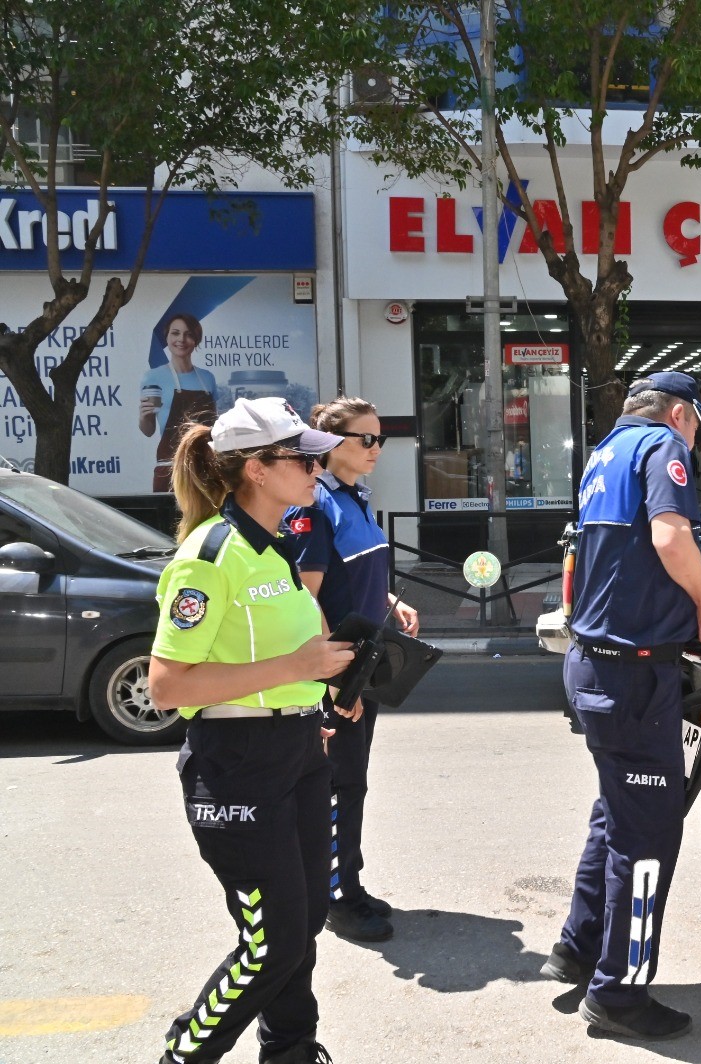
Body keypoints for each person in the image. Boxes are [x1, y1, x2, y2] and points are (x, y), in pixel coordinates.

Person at [148, 397, 355, 1064]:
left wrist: (326, 689)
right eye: (302, 456)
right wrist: (294, 667)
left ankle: (291, 1053)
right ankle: (187, 1051)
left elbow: (286, 657)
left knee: (304, 928)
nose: (317, 465)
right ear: (259, 470)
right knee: (272, 945)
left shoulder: (277, 546)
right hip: (235, 762)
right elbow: (166, 686)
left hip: (295, 751)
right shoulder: (208, 555)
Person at [541, 370, 701, 1041]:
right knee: (649, 836)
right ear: (680, 414)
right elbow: (668, 537)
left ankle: (576, 945)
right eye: (696, 425)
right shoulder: (663, 448)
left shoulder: (605, 454)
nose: (694, 440)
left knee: (615, 814)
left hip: (594, 666)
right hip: (632, 676)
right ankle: (620, 995)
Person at [283, 397, 419, 944]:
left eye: (380, 439)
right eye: (366, 439)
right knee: (340, 786)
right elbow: (308, 598)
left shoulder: (355, 498)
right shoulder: (316, 507)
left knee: (352, 782)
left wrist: (389, 600)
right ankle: (339, 897)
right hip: (338, 671)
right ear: (332, 444)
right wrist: (336, 677)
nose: (376, 449)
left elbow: (351, 577)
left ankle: (347, 883)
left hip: (362, 663)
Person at [140, 313, 225, 492]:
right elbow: (148, 431)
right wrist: (144, 416)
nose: (181, 339)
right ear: (167, 337)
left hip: (204, 468)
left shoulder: (207, 378)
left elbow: (214, 426)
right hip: (171, 469)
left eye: (188, 334)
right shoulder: (153, 376)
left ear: (196, 340)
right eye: (175, 333)